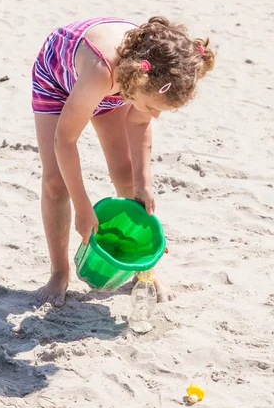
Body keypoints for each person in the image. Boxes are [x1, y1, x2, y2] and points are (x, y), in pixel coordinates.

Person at [33, 16, 215, 306]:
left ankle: (143, 269)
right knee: (55, 183)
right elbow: (65, 142)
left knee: (127, 175)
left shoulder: (148, 80)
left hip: (119, 85)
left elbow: (140, 122)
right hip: (58, 78)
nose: (154, 115)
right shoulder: (102, 72)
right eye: (154, 107)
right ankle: (59, 272)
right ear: (140, 83)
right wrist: (83, 209)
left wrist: (144, 184)